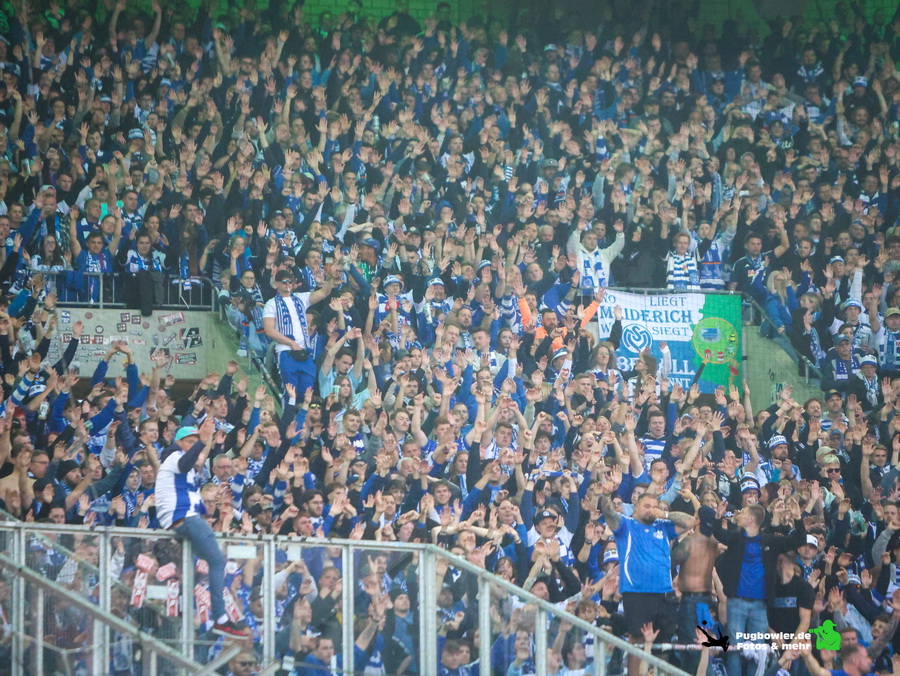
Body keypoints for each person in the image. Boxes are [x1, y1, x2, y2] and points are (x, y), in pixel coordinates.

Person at [156, 419, 248, 638]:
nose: (193, 445)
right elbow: (185, 462)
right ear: (179, 442)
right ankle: (220, 618)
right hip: (182, 517)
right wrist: (203, 441)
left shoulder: (185, 467)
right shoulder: (174, 456)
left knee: (194, 565)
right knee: (217, 561)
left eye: (195, 441)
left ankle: (185, 607)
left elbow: (192, 466)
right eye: (189, 441)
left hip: (181, 517)